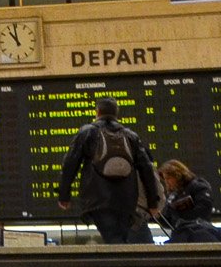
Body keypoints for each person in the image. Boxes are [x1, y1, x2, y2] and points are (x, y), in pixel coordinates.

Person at [57, 97, 159, 244]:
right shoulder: (131, 135)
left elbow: (70, 163)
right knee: (120, 238)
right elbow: (147, 169)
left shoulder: (88, 132)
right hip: (127, 199)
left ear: (97, 112)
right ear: (116, 114)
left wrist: (64, 195)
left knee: (113, 238)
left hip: (98, 198)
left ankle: (119, 265)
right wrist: (152, 202)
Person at [156, 160, 221, 243]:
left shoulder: (198, 186)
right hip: (181, 235)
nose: (167, 182)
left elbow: (204, 209)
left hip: (199, 233)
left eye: (168, 178)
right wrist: (159, 216)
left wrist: (182, 215)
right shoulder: (173, 196)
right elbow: (169, 221)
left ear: (178, 175)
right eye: (165, 179)